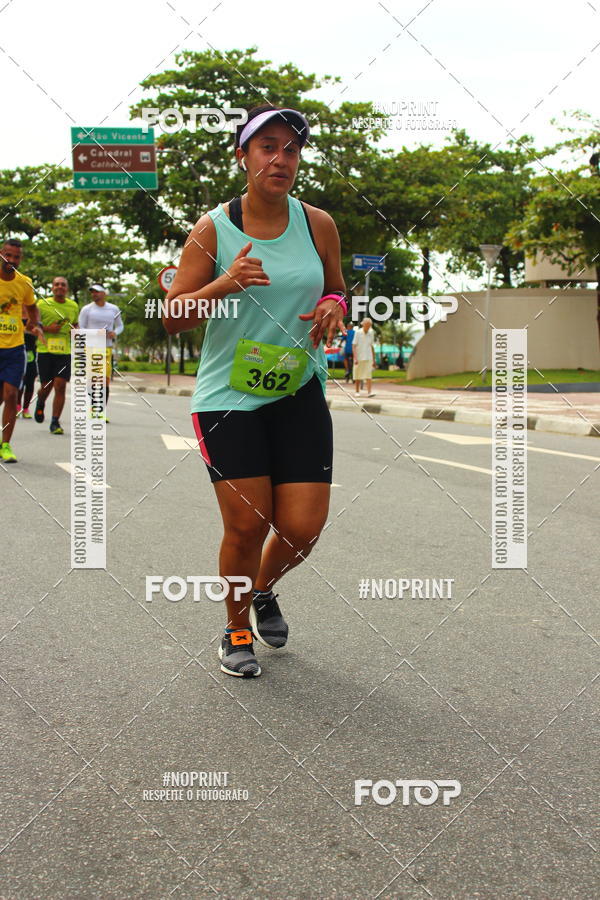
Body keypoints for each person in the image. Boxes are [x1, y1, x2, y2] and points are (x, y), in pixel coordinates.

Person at [164, 105, 347, 678]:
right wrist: (225, 282)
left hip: (297, 388)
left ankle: (262, 589)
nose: (281, 158)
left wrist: (332, 309)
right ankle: (236, 626)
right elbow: (173, 317)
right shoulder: (212, 228)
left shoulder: (318, 223)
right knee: (247, 524)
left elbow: (339, 291)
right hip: (229, 397)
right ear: (243, 156)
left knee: (301, 527)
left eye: (291, 149)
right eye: (267, 146)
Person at [0, 238, 43, 463]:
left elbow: (32, 306)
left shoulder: (24, 282)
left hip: (15, 348)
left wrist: (35, 324)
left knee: (10, 395)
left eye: (16, 257)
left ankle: (5, 444)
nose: (12, 260)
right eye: (8, 255)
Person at [34, 276, 79, 434]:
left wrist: (76, 330)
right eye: (57, 284)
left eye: (63, 285)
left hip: (64, 352)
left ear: (67, 289)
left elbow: (75, 324)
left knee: (60, 386)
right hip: (45, 350)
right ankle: (40, 401)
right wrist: (47, 329)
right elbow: (34, 326)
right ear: (52, 287)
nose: (60, 287)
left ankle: (55, 422)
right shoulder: (42, 304)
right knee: (47, 386)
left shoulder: (73, 306)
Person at [78, 284, 124, 421]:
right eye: (92, 292)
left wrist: (115, 332)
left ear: (104, 293)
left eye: (97, 292)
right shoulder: (87, 309)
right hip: (91, 347)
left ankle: (102, 411)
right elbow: (81, 328)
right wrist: (96, 333)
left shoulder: (113, 309)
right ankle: (93, 408)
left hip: (106, 348)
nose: (94, 294)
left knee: (105, 381)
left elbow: (120, 325)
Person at [17, 311, 38, 418]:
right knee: (20, 381)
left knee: (30, 382)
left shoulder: (34, 312)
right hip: (18, 351)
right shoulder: (14, 310)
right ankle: (17, 406)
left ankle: (25, 408)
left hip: (32, 354)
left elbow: (38, 331)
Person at [353, 317, 376, 397]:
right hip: (359, 357)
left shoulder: (371, 332)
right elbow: (354, 346)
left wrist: (374, 359)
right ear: (363, 324)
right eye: (366, 325)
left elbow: (372, 346)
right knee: (357, 375)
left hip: (368, 356)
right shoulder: (358, 332)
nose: (368, 327)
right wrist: (355, 358)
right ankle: (357, 391)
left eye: (369, 325)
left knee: (368, 375)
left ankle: (369, 392)